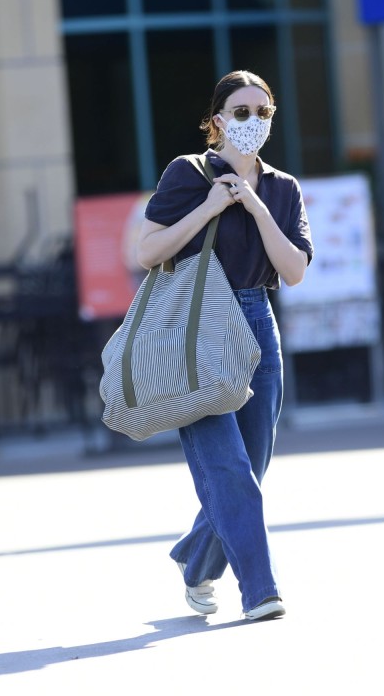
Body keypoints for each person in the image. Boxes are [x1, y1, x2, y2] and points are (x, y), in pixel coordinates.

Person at [137, 70, 313, 621]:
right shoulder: (188, 173)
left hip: (257, 322)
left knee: (251, 465)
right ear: (217, 120)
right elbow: (148, 251)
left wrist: (256, 208)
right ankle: (261, 591)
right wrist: (210, 207)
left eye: (263, 112)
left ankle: (196, 561)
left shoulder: (282, 188)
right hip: (197, 327)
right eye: (241, 111)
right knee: (229, 469)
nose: (253, 121)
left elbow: (294, 271)